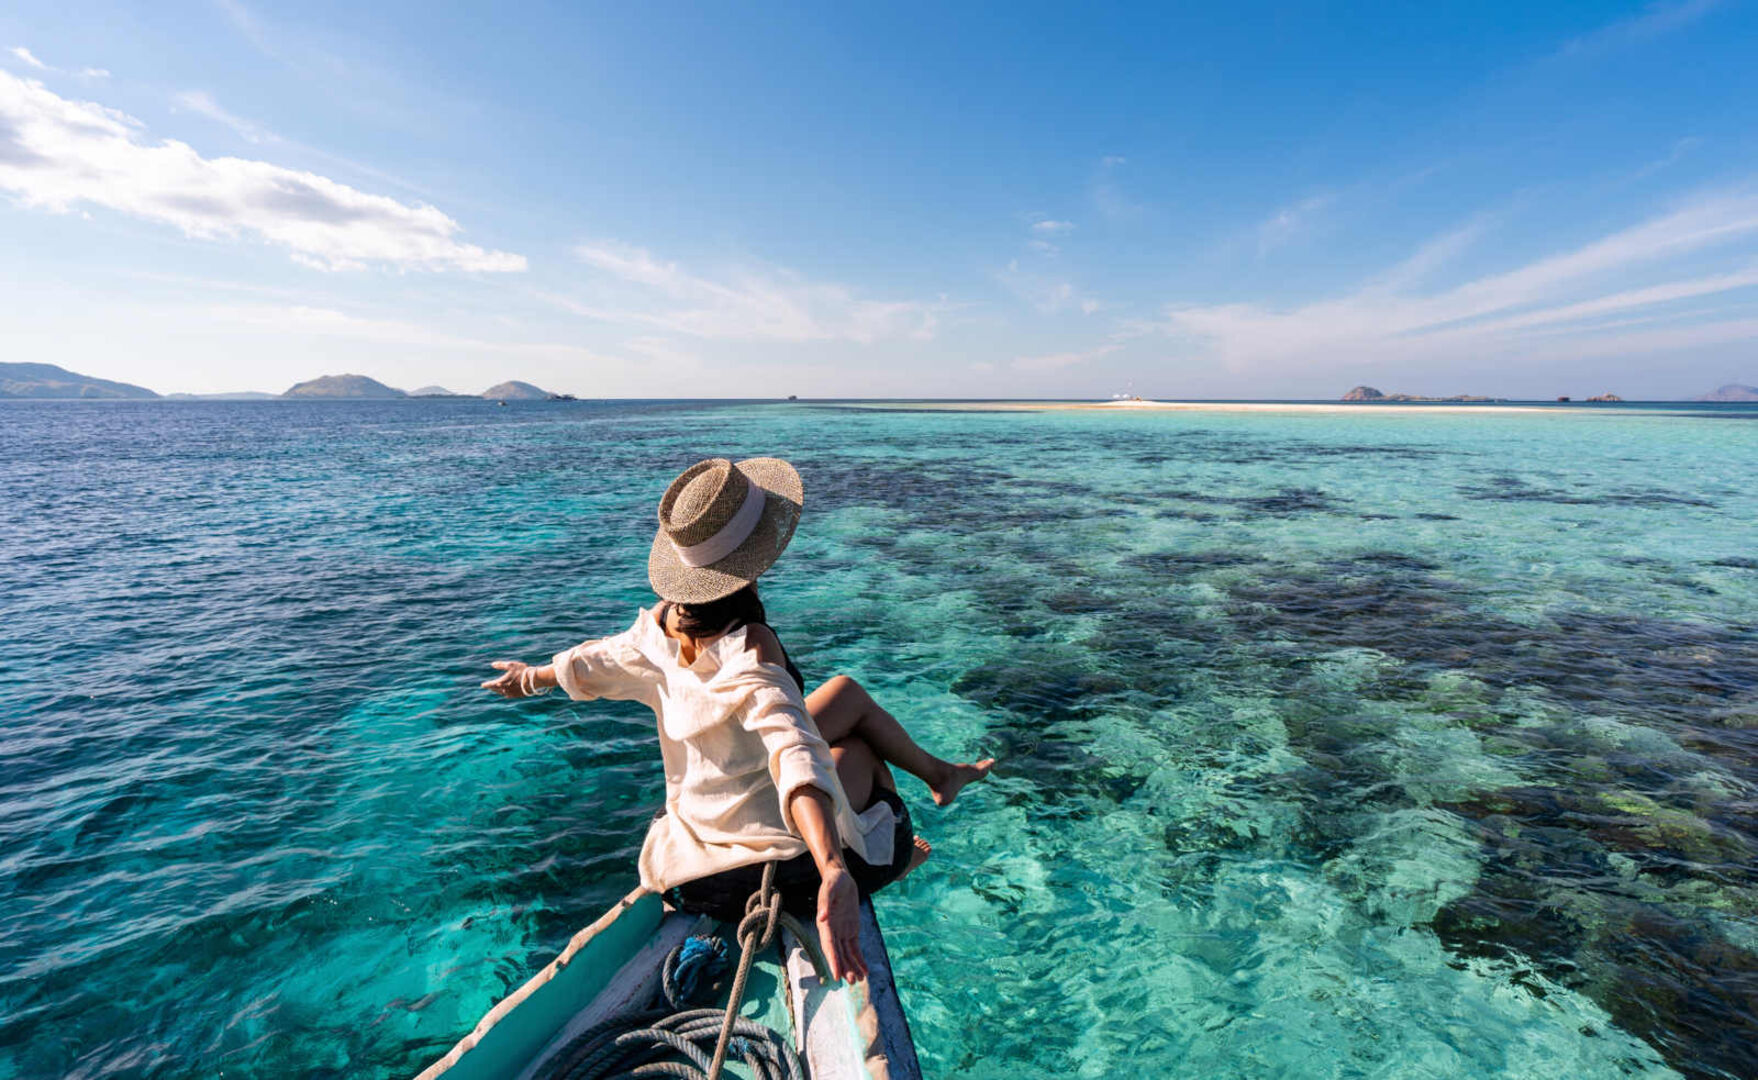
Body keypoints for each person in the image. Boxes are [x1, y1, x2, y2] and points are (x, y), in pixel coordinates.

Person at [481, 457, 992, 983]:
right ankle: (881, 865)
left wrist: (532, 678)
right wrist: (833, 870)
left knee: (843, 694)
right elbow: (793, 749)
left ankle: (942, 775)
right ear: (753, 560)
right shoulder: (751, 648)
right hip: (758, 873)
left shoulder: (664, 623)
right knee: (860, 757)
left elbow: (599, 660)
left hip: (690, 860)